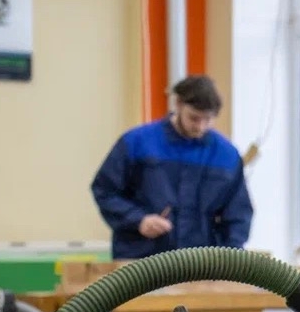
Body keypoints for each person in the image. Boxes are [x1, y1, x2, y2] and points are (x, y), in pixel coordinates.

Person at [91, 75, 253, 260]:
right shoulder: (137, 143)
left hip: (200, 263)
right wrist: (138, 220)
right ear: (178, 104)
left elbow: (238, 213)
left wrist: (231, 257)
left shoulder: (227, 155)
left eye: (208, 120)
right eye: (194, 118)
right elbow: (105, 189)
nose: (200, 127)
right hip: (141, 259)